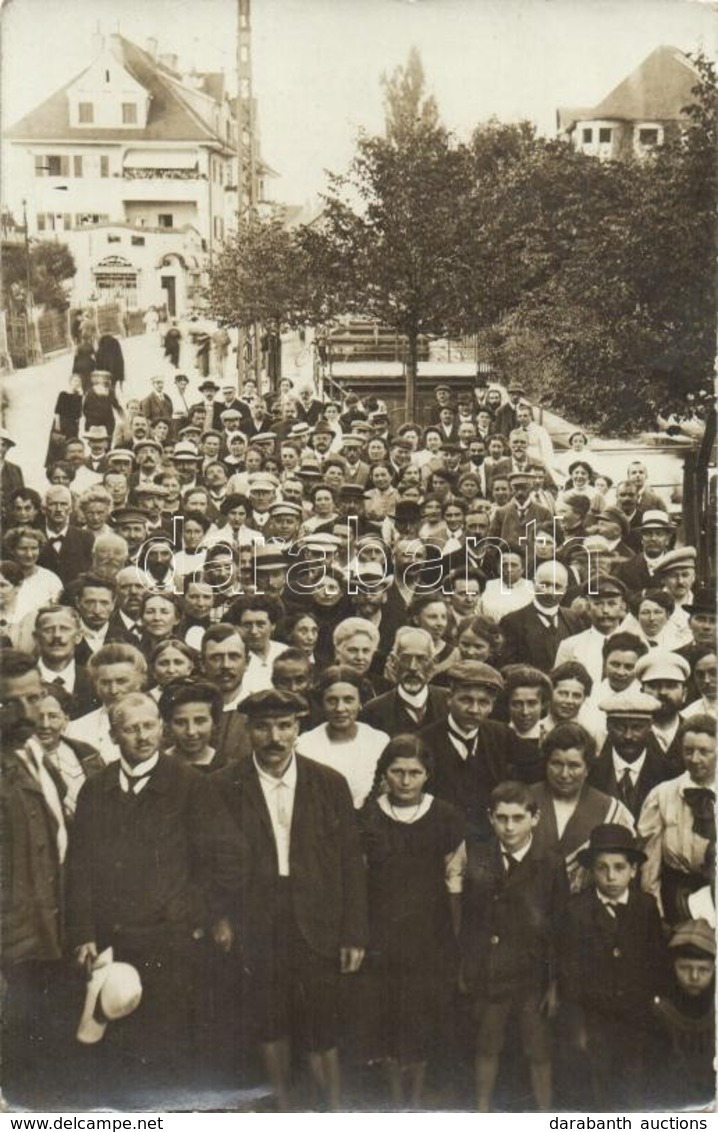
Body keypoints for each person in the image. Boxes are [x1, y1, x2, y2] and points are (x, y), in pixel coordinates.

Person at [66, 691, 243, 1089]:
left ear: (162, 730)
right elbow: (79, 868)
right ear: (114, 736)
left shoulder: (190, 785)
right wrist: (83, 933)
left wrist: (190, 914)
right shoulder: (96, 789)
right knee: (116, 1048)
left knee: (167, 1046)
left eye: (149, 726)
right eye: (130, 729)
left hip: (171, 942)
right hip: (113, 940)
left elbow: (229, 860)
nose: (142, 736)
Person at [215, 689, 368, 1111]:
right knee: (269, 1020)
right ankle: (282, 1108)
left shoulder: (328, 783)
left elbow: (351, 864)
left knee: (323, 1022)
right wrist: (222, 917)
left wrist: (353, 932)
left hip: (318, 918)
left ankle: (334, 1112)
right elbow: (211, 861)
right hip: (257, 916)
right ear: (248, 730)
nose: (274, 737)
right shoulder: (225, 784)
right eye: (263, 727)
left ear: (298, 728)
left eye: (284, 726)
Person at [357, 736, 465, 1109]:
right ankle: (393, 1100)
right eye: (398, 772)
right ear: (385, 773)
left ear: (427, 775)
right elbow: (360, 876)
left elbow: (455, 877)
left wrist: (453, 934)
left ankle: (415, 1103)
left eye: (414, 773)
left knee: (419, 1015)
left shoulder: (446, 815)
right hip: (381, 933)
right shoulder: (368, 815)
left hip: (428, 935)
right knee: (386, 1014)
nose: (405, 781)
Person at [460, 781, 569, 1112]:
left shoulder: (550, 863)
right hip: (490, 970)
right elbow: (469, 920)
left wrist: (554, 983)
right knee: (486, 1045)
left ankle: (546, 1114)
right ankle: (481, 1113)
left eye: (518, 818)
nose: (509, 827)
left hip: (531, 975)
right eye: (502, 818)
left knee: (538, 1051)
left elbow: (559, 927)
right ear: (490, 818)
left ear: (534, 818)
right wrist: (467, 967)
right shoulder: (479, 857)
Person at [559, 824, 667, 1110]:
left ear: (633, 870)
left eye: (619, 867)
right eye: (602, 868)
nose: (611, 876)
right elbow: (570, 974)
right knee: (598, 1086)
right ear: (592, 871)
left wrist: (654, 1004)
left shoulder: (645, 907)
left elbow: (656, 961)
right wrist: (578, 1025)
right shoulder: (576, 911)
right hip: (595, 1018)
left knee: (632, 1083)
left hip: (635, 1016)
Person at [529, 723, 634, 893]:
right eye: (556, 764)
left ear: (588, 768)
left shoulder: (611, 809)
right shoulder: (524, 800)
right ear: (546, 764)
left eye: (574, 766)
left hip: (586, 911)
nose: (564, 774)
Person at [637, 714, 715, 925]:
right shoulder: (663, 795)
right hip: (676, 900)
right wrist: (656, 915)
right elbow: (649, 866)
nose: (695, 759)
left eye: (704, 752)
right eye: (688, 751)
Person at [296, 666, 389, 808]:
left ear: (360, 702)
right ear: (322, 703)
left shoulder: (379, 741)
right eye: (332, 700)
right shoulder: (305, 745)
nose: (340, 708)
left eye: (348, 700)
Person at [651, 919, 716, 1111]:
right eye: (685, 968)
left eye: (703, 970)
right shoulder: (659, 1013)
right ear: (673, 967)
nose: (694, 977)